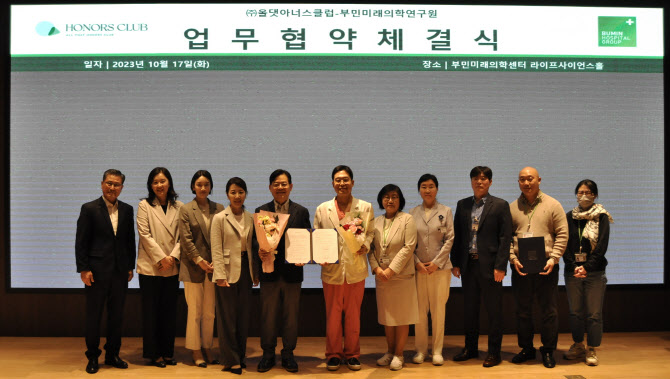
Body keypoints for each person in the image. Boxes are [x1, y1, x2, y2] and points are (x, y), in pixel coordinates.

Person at [313, 165, 374, 371]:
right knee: (332, 315)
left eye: (346, 180)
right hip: (332, 271)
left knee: (353, 315)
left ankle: (353, 354)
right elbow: (317, 237)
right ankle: (333, 354)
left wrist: (364, 245)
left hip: (356, 270)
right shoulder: (322, 209)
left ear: (353, 183)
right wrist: (318, 255)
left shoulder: (364, 207)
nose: (342, 183)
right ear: (332, 184)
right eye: (338, 180)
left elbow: (371, 233)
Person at [451, 166, 513, 367]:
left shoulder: (500, 205)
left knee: (494, 312)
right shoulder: (462, 205)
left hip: (491, 267)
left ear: (490, 182)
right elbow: (458, 236)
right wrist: (456, 263)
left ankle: (494, 352)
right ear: (471, 181)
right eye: (476, 178)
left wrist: (501, 266)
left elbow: (505, 238)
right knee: (470, 310)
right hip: (469, 266)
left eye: (484, 178)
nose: (480, 182)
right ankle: (470, 348)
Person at [75, 169, 135, 374]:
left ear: (122, 188)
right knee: (94, 316)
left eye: (116, 184)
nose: (112, 187)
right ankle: (92, 357)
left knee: (116, 317)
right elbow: (81, 242)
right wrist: (83, 268)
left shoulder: (127, 210)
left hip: (119, 272)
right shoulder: (89, 208)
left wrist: (130, 266)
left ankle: (112, 355)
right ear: (102, 184)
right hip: (96, 272)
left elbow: (129, 240)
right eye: (109, 183)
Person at [509, 167, 568, 368]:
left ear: (539, 180)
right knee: (522, 311)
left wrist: (554, 258)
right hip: (520, 267)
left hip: (547, 266)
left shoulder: (553, 205)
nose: (526, 183)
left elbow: (562, 234)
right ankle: (526, 348)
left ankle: (548, 350)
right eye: (522, 179)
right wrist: (512, 258)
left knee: (548, 311)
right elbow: (506, 237)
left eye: (530, 179)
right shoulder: (512, 207)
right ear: (518, 182)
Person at [253, 169, 311, 373]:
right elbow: (254, 241)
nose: (280, 187)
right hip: (268, 273)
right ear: (270, 188)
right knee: (267, 316)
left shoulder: (301, 211)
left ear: (291, 187)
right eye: (276, 184)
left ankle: (288, 354)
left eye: (284, 184)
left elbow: (307, 239)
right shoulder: (261, 211)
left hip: (293, 275)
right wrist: (259, 251)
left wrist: (306, 255)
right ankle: (267, 354)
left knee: (291, 317)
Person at [136, 167, 183, 367]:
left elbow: (183, 236)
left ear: (169, 183)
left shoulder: (180, 206)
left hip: (171, 266)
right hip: (151, 267)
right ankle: (153, 354)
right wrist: (161, 258)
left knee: (169, 312)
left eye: (162, 181)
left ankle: (167, 352)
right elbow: (144, 235)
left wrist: (172, 257)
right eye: (155, 182)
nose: (159, 185)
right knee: (151, 312)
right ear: (150, 186)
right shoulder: (144, 205)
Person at [211, 177, 259, 375]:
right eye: (233, 192)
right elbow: (216, 248)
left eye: (240, 192)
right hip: (226, 273)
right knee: (227, 319)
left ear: (245, 193)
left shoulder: (251, 217)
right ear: (227, 195)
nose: (237, 196)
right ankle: (230, 360)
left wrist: (255, 273)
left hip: (245, 272)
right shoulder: (220, 218)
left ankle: (239, 356)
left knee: (242, 318)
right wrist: (219, 274)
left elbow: (253, 247)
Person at [563, 179, 613, 366]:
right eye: (580, 192)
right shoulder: (569, 217)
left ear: (595, 195)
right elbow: (564, 243)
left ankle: (591, 348)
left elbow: (601, 247)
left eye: (588, 192)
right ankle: (578, 345)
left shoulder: (601, 217)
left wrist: (587, 267)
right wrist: (573, 265)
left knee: (594, 314)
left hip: (595, 272)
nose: (584, 196)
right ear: (576, 194)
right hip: (572, 271)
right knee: (575, 312)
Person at [370, 184, 418, 371]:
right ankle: (389, 352)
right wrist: (376, 269)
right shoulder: (375, 222)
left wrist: (391, 270)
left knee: (402, 318)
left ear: (400, 200)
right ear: (381, 200)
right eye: (386, 197)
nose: (390, 200)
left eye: (394, 197)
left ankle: (399, 354)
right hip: (382, 277)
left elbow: (409, 247)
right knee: (387, 317)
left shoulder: (407, 219)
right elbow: (370, 249)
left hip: (401, 276)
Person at [178, 170, 224, 367]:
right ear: (193, 187)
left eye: (206, 184)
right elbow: (186, 240)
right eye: (199, 184)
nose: (203, 188)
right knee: (194, 311)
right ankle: (195, 350)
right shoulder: (186, 209)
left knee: (210, 312)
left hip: (214, 268)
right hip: (193, 267)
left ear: (211, 186)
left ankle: (208, 347)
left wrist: (216, 263)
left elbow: (223, 237)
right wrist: (199, 261)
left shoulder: (220, 208)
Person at [408, 174, 454, 366]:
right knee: (419, 312)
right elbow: (409, 243)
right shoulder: (411, 213)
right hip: (418, 270)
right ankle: (420, 350)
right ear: (419, 190)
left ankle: (437, 351)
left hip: (440, 270)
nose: (428, 190)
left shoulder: (446, 211)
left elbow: (449, 239)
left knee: (438, 311)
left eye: (431, 186)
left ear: (437, 189)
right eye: (424, 187)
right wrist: (417, 262)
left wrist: (436, 263)